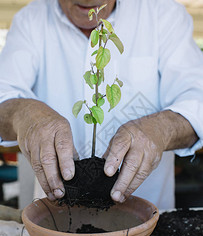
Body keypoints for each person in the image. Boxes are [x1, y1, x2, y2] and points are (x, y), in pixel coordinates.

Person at [0, 0, 203, 209]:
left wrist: (162, 128)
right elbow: (3, 93)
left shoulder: (164, 14)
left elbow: (197, 97)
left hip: (148, 220)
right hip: (57, 216)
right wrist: (22, 113)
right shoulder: (30, 20)